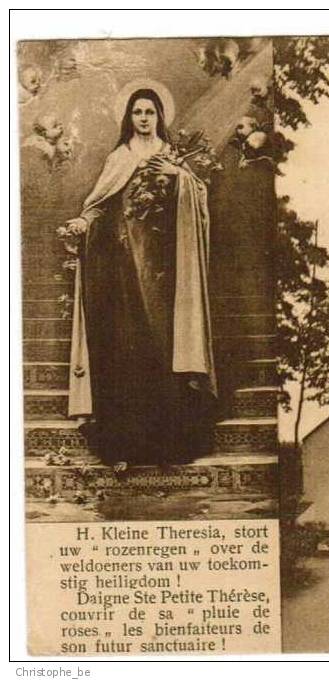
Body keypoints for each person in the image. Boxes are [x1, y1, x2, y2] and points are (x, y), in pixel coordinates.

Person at [66, 86, 216, 467]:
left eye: (150, 112)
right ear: (129, 118)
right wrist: (82, 221)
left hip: (165, 276)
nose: (144, 118)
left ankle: (171, 445)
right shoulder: (119, 158)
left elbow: (198, 202)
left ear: (160, 116)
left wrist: (178, 176)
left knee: (165, 351)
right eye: (138, 112)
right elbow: (99, 205)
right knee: (128, 353)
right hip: (123, 271)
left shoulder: (171, 157)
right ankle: (128, 446)